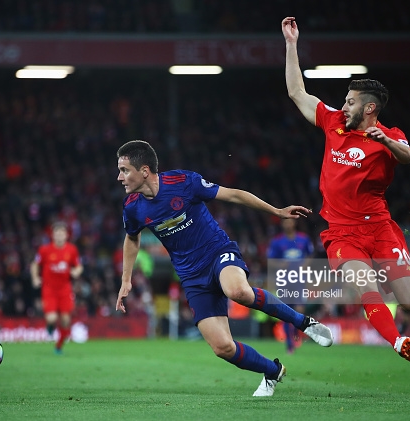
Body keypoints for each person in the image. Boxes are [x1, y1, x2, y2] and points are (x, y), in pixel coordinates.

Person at [281, 16, 410, 363]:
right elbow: (297, 92)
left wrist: (386, 140)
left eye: (350, 101)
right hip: (342, 233)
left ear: (369, 108)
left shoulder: (391, 135)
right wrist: (291, 44)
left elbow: (408, 156)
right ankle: (396, 341)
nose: (343, 106)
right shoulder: (333, 122)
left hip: (379, 228)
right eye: (344, 100)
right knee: (365, 288)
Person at [115, 140, 333, 397]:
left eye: (124, 170)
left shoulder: (184, 182)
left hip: (217, 252)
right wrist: (126, 280)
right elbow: (132, 238)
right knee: (222, 347)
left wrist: (276, 211)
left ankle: (304, 323)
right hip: (191, 276)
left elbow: (233, 194)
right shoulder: (132, 207)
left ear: (144, 170)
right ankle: (272, 371)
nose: (119, 177)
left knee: (237, 290)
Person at [30, 222, 83, 354]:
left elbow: (79, 265)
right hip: (49, 289)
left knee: (65, 320)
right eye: (57, 233)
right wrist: (35, 278)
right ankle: (50, 326)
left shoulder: (72, 250)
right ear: (52, 235)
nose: (59, 236)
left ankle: (58, 346)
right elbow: (35, 265)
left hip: (65, 289)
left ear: (66, 235)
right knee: (52, 318)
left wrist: (77, 271)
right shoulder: (44, 250)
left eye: (62, 233)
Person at [267, 218, 315, 354]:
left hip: (299, 280)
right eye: (285, 222)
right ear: (282, 224)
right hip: (284, 281)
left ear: (294, 223)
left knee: (300, 310)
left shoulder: (303, 239)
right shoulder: (277, 242)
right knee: (286, 312)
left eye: (290, 222)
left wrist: (305, 265)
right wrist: (280, 265)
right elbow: (271, 261)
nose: (288, 224)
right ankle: (289, 345)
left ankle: (296, 337)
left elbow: (310, 255)